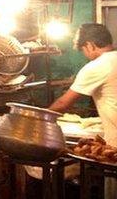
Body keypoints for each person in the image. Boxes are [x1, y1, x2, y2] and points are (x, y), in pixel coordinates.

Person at [49, 24, 117, 196]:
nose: (86, 56)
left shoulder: (97, 66)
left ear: (90, 45)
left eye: (83, 51)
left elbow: (63, 104)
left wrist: (37, 120)